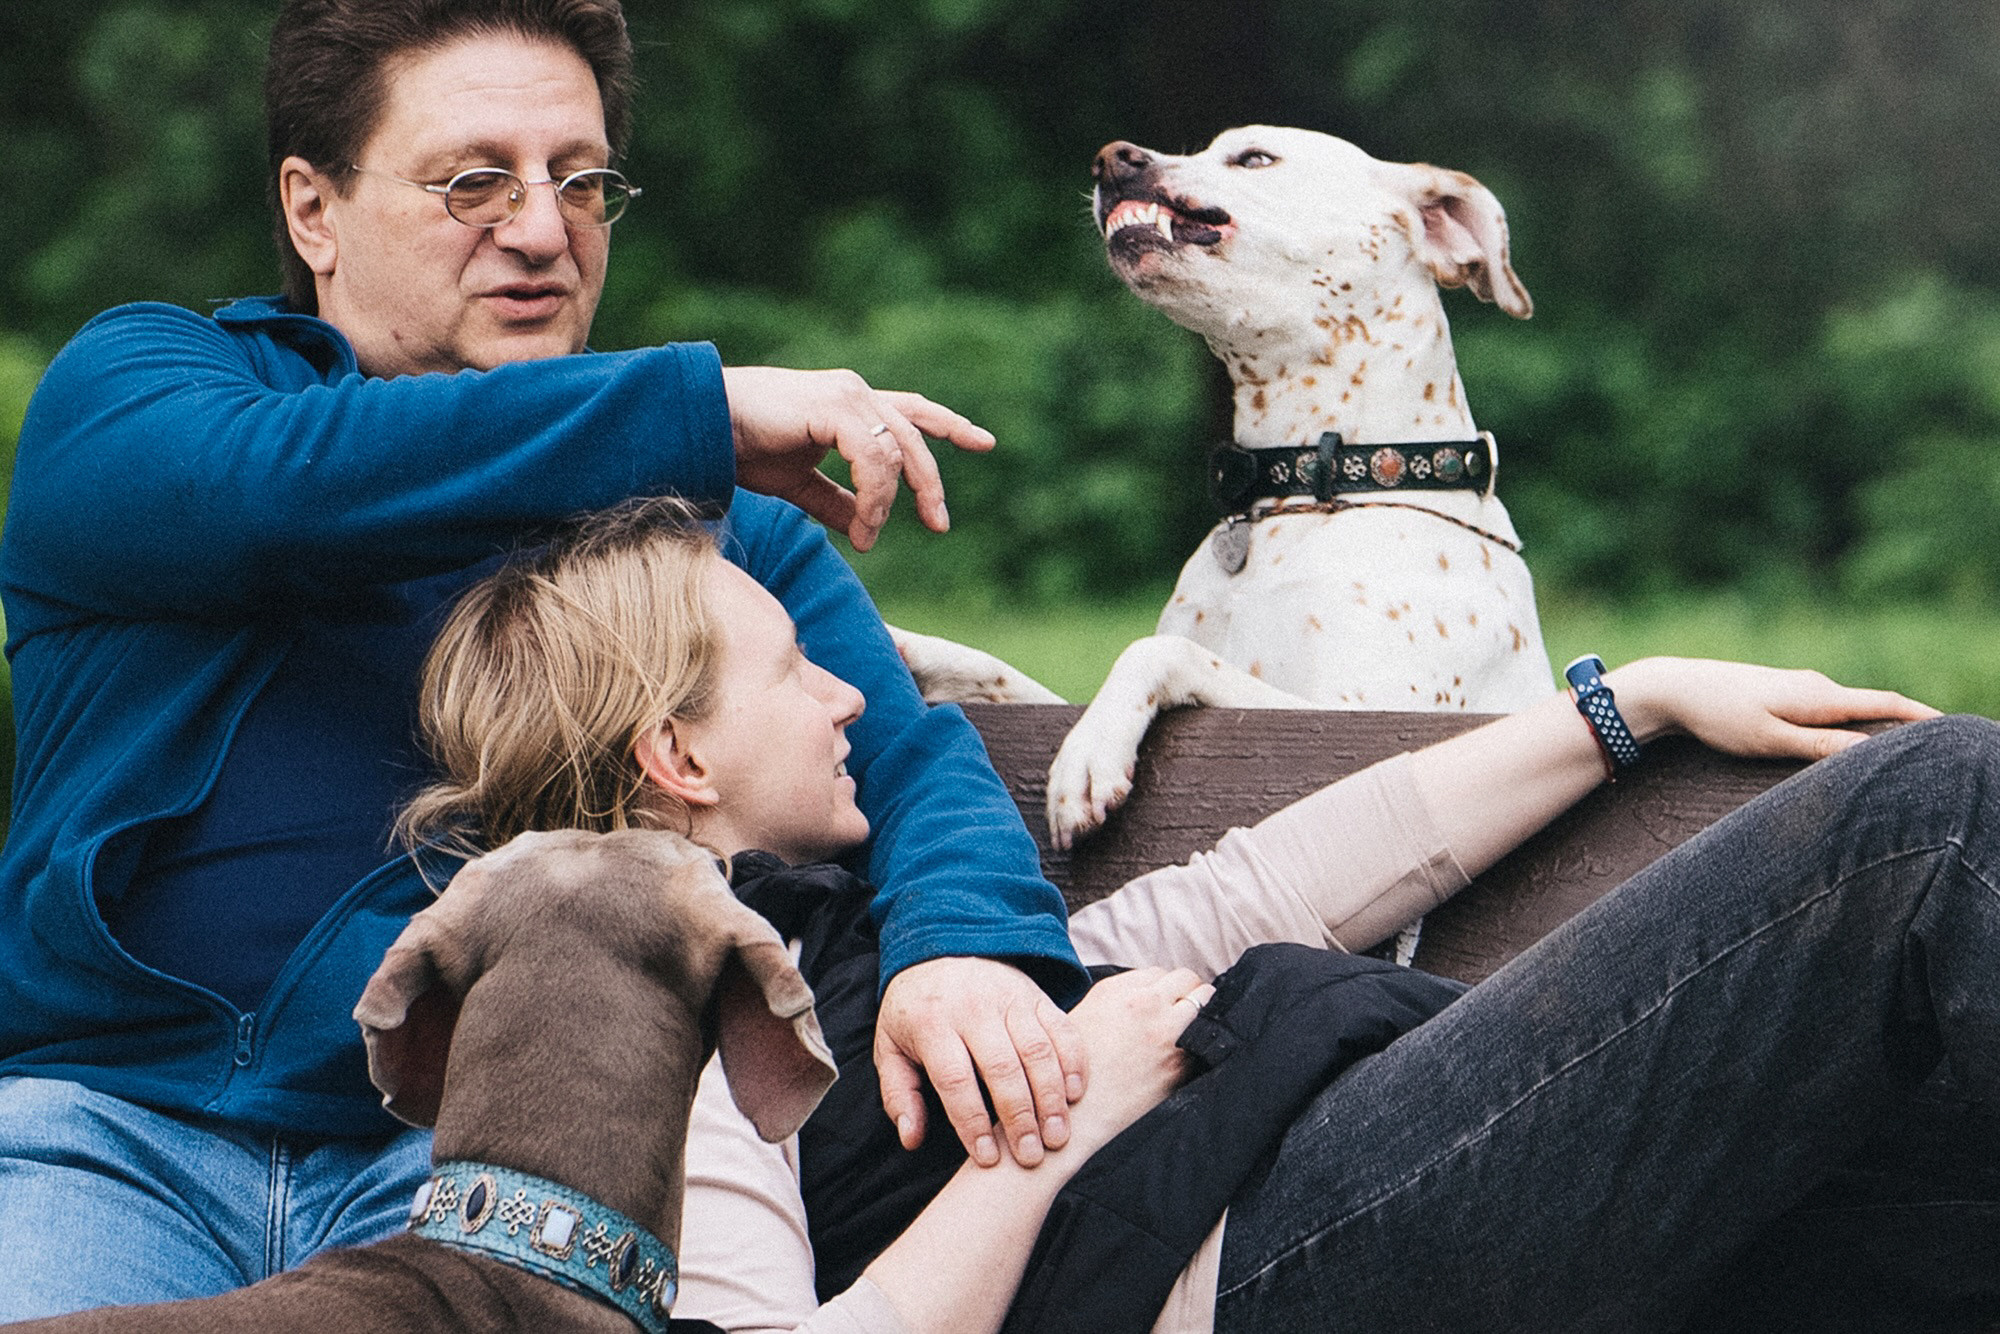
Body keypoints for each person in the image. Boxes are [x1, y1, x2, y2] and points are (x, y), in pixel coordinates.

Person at [0, 1, 1095, 1319]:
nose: (541, 229)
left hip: (482, 1142)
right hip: (101, 1129)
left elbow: (909, 758)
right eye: (476, 181)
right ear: (313, 209)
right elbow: (262, 492)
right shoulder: (149, 391)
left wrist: (964, 941)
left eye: (582, 183)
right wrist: (692, 408)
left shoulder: (706, 530)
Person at [399, 497, 1999, 1334]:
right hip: (1242, 1266)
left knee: (1928, 1224)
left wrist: (1623, 702)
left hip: (1310, 1175)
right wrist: (1078, 1110)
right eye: (786, 666)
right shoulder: (636, 1012)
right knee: (1924, 818)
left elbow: (1248, 893)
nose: (843, 690)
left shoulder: (841, 924)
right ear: (674, 754)